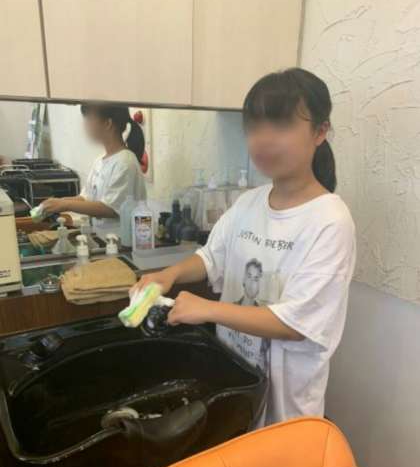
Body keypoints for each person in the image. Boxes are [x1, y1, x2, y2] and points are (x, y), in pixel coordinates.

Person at [131, 68, 356, 426]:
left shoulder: (330, 220)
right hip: (237, 384)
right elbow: (211, 257)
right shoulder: (250, 202)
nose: (262, 139)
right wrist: (168, 275)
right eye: (253, 126)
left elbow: (295, 323)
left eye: (281, 124)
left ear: (319, 131)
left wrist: (209, 309)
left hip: (284, 409)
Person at [41, 105, 146, 238]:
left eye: (89, 119)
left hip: (123, 241)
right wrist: (57, 202)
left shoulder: (125, 162)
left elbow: (109, 209)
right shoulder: (100, 161)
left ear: (108, 124)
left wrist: (64, 204)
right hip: (103, 239)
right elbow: (86, 198)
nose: (85, 125)